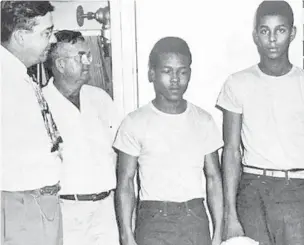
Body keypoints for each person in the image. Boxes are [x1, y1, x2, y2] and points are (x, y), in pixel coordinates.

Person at [216, 1, 304, 245]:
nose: (272, 39)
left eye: (280, 30)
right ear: (255, 35)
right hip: (252, 189)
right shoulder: (237, 84)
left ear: (292, 33)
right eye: (265, 30)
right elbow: (231, 152)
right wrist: (231, 214)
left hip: (298, 190)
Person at [114, 36, 224, 245]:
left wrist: (218, 230)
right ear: (152, 73)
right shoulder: (134, 122)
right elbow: (126, 183)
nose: (175, 79)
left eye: (182, 72)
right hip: (153, 219)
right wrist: (126, 234)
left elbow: (214, 179)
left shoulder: (203, 120)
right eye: (167, 71)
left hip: (194, 217)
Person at [43, 30, 121, 245]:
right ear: (60, 65)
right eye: (81, 56)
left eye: (88, 55)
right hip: (65, 212)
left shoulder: (100, 99)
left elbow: (118, 155)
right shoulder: (40, 104)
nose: (88, 62)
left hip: (106, 209)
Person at [1, 2, 62, 245]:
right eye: (46, 33)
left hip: (37, 202)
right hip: (21, 205)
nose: (53, 39)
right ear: (20, 37)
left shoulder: (19, 75)